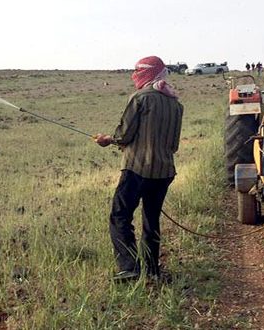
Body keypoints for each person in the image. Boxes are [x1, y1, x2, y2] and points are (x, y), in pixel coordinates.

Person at [94, 56, 183, 283]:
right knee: (151, 221)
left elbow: (124, 135)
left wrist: (108, 140)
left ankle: (129, 267)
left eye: (137, 71)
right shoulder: (176, 104)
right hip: (164, 172)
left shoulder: (140, 98)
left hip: (136, 169)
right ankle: (152, 270)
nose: (134, 74)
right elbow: (173, 145)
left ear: (146, 73)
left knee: (120, 216)